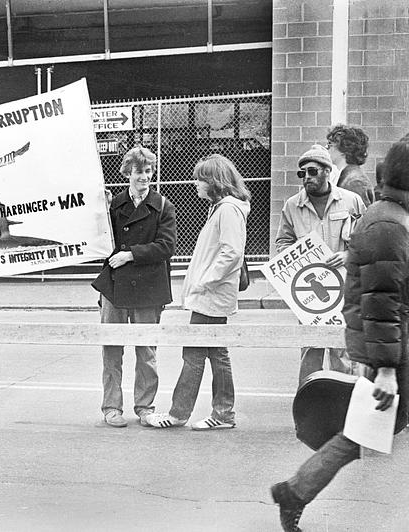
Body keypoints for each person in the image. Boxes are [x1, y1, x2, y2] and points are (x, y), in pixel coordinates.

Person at [270, 138, 409, 532]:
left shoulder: (387, 216)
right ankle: (294, 491)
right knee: (361, 431)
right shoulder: (388, 223)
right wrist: (385, 369)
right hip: (395, 351)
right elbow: (381, 301)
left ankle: (295, 491)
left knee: (360, 432)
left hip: (393, 347)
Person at [147, 154, 249, 431]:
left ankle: (179, 413)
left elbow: (231, 252)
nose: (196, 184)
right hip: (212, 295)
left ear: (214, 181)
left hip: (212, 296)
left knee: (193, 354)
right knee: (217, 353)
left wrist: (205, 281)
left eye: (200, 179)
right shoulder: (222, 208)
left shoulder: (227, 210)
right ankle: (224, 413)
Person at [91, 146, 176, 428]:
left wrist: (131, 254)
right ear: (128, 172)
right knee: (112, 350)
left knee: (146, 351)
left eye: (149, 170)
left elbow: (166, 246)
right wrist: (99, 211)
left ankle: (145, 407)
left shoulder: (163, 205)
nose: (145, 177)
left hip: (149, 288)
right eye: (139, 171)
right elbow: (101, 240)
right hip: (115, 287)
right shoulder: (114, 205)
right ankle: (112, 407)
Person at [275, 145, 367, 384]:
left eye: (313, 171)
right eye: (302, 173)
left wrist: (349, 256)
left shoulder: (351, 201)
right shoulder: (292, 206)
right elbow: (283, 241)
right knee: (310, 352)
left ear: (327, 171)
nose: (307, 177)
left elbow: (366, 240)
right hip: (310, 294)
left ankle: (342, 409)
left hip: (344, 289)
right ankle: (308, 412)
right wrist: (293, 258)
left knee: (342, 352)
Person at [326, 124, 375, 206]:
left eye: (330, 144)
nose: (327, 148)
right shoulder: (349, 177)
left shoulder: (355, 182)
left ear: (344, 148)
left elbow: (359, 216)